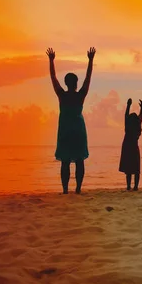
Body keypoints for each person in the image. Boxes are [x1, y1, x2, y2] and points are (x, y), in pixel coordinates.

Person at [47, 46, 95, 194]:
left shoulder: (62, 95)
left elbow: (53, 78)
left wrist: (51, 61)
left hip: (66, 132)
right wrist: (90, 60)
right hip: (79, 132)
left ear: (66, 83)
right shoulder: (80, 95)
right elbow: (88, 78)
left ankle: (65, 190)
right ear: (75, 83)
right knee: (79, 161)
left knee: (65, 162)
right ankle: (78, 189)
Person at [119, 98, 142, 191]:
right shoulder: (137, 127)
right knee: (136, 168)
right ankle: (135, 187)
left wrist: (128, 105)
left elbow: (126, 116)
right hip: (133, 147)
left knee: (128, 169)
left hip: (127, 147)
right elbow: (140, 117)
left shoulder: (128, 126)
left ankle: (129, 186)